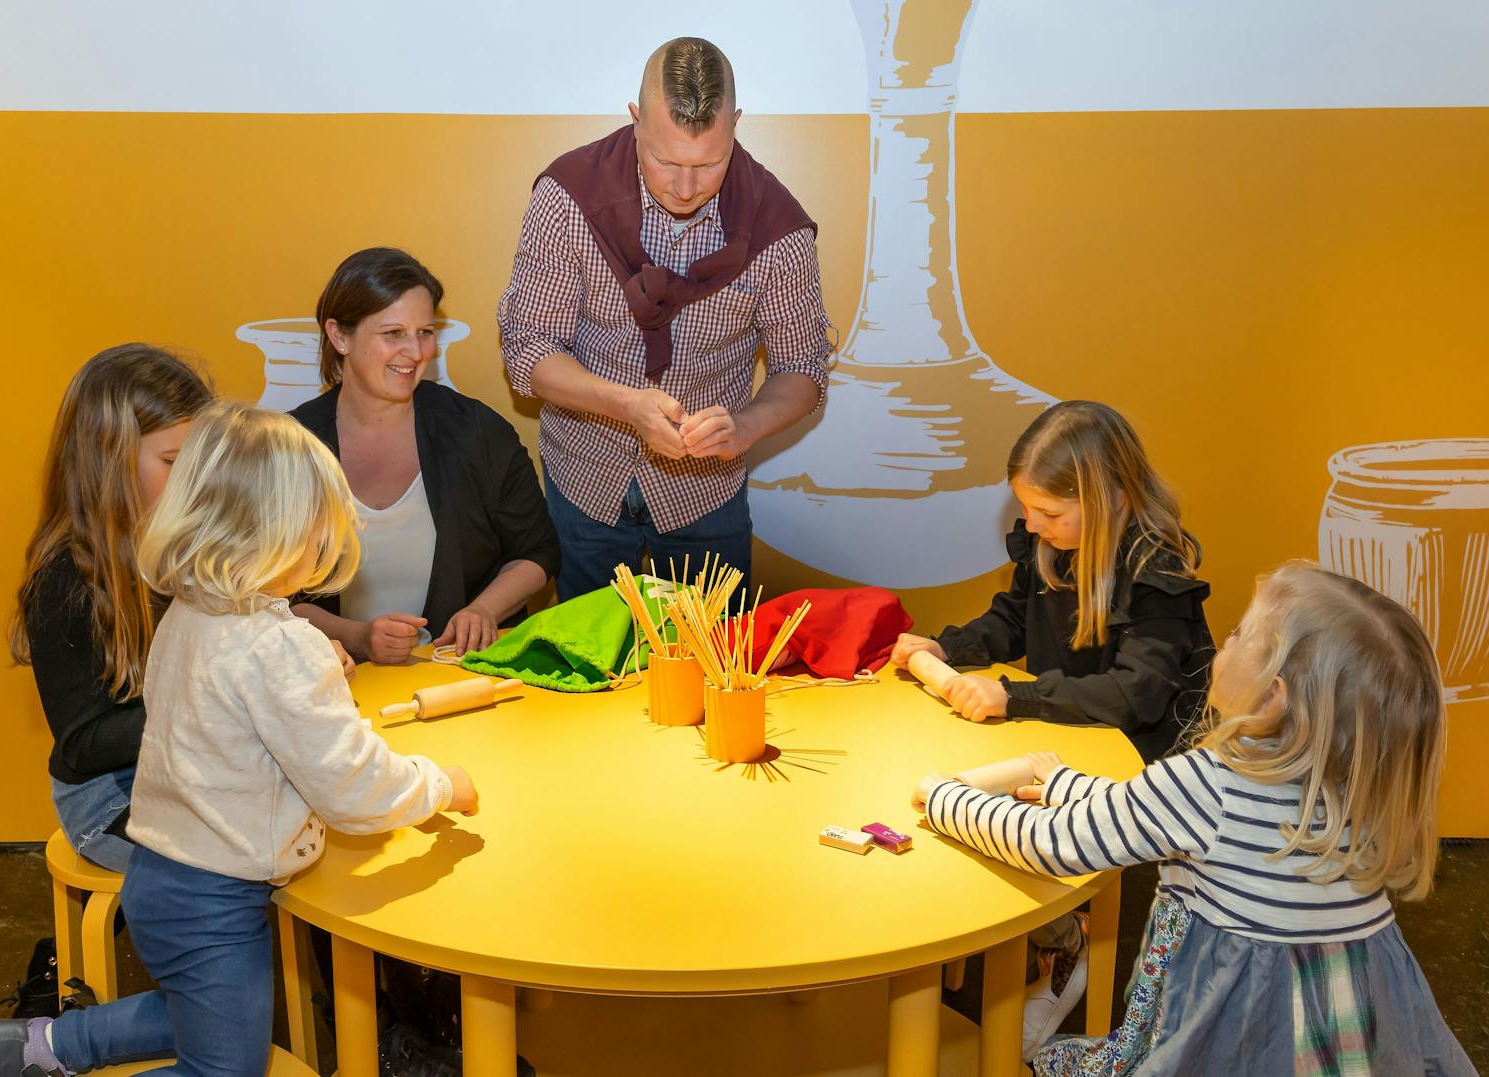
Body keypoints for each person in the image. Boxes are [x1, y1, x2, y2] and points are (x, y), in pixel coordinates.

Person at [0, 403, 478, 1076]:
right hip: (213, 900)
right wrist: (440, 786)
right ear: (288, 530)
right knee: (225, 1067)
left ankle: (31, 1049)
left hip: (159, 871)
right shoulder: (281, 646)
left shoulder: (194, 612)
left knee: (197, 1010)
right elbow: (353, 788)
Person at [910, 562, 1476, 1074]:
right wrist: (1066, 784)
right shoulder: (1355, 791)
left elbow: (1055, 844)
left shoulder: (1209, 783)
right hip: (1338, 1042)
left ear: (1270, 697)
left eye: (1237, 634)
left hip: (1233, 1043)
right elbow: (1147, 813)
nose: (1220, 646)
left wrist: (945, 799)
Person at [890, 399, 1215, 1053]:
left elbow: (1133, 696)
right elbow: (1010, 616)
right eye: (1028, 511)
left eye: (1049, 514)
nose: (1033, 526)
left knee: (1012, 809)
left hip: (1135, 755)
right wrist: (948, 648)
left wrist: (1014, 696)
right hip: (1066, 722)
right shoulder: (1051, 544)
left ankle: (1064, 950)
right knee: (966, 795)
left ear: (1110, 498)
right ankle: (1045, 939)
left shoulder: (1158, 577)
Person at [499, 36, 833, 598]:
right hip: (585, 471)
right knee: (590, 669)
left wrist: (744, 427)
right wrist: (627, 405)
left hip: (707, 489)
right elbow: (528, 353)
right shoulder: (566, 197)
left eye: (708, 164)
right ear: (634, 120)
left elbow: (802, 368)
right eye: (665, 160)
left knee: (711, 667)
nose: (685, 187)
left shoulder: (779, 226)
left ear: (738, 126)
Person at [292, 246, 558, 665]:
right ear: (339, 336)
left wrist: (484, 610)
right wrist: (357, 637)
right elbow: (266, 596)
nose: (415, 352)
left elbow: (537, 552)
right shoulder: (291, 448)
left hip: (457, 681)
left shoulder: (477, 432)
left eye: (425, 332)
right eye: (393, 333)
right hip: (337, 690)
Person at [10, 345, 212, 874]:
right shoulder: (62, 580)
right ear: (109, 457)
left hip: (185, 771)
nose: (191, 481)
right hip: (108, 800)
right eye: (172, 462)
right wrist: (215, 705)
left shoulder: (182, 544)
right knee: (245, 861)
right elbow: (83, 744)